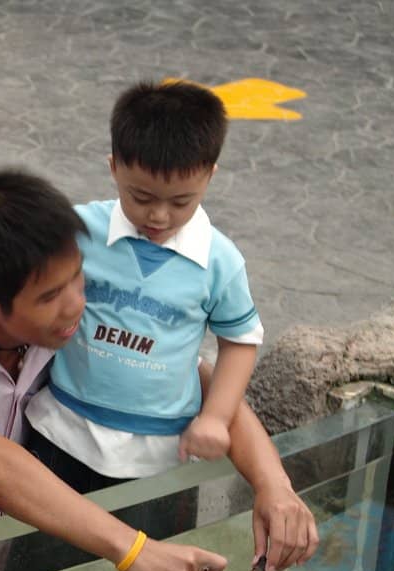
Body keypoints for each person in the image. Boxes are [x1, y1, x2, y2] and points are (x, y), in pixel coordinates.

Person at [0, 169, 318, 571]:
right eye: (50, 296)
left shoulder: (62, 324)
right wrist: (133, 550)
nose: (77, 304)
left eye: (80, 278)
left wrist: (273, 484)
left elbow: (197, 378)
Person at [28, 80, 262, 501]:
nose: (158, 215)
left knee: (153, 545)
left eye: (180, 202)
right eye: (141, 197)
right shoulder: (78, 230)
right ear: (114, 167)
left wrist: (216, 417)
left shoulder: (219, 261)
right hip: (62, 431)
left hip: (160, 457)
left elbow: (240, 341)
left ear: (210, 176)